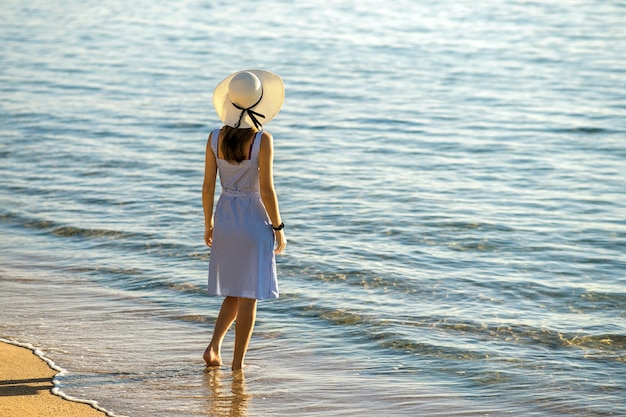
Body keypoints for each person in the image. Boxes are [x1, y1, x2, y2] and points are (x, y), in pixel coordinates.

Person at [202, 69, 287, 371]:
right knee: (249, 295)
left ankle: (213, 347)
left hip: (225, 218)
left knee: (235, 291)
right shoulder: (262, 140)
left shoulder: (214, 138)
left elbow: (208, 187)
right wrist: (278, 227)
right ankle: (238, 366)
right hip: (252, 219)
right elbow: (266, 189)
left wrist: (208, 223)